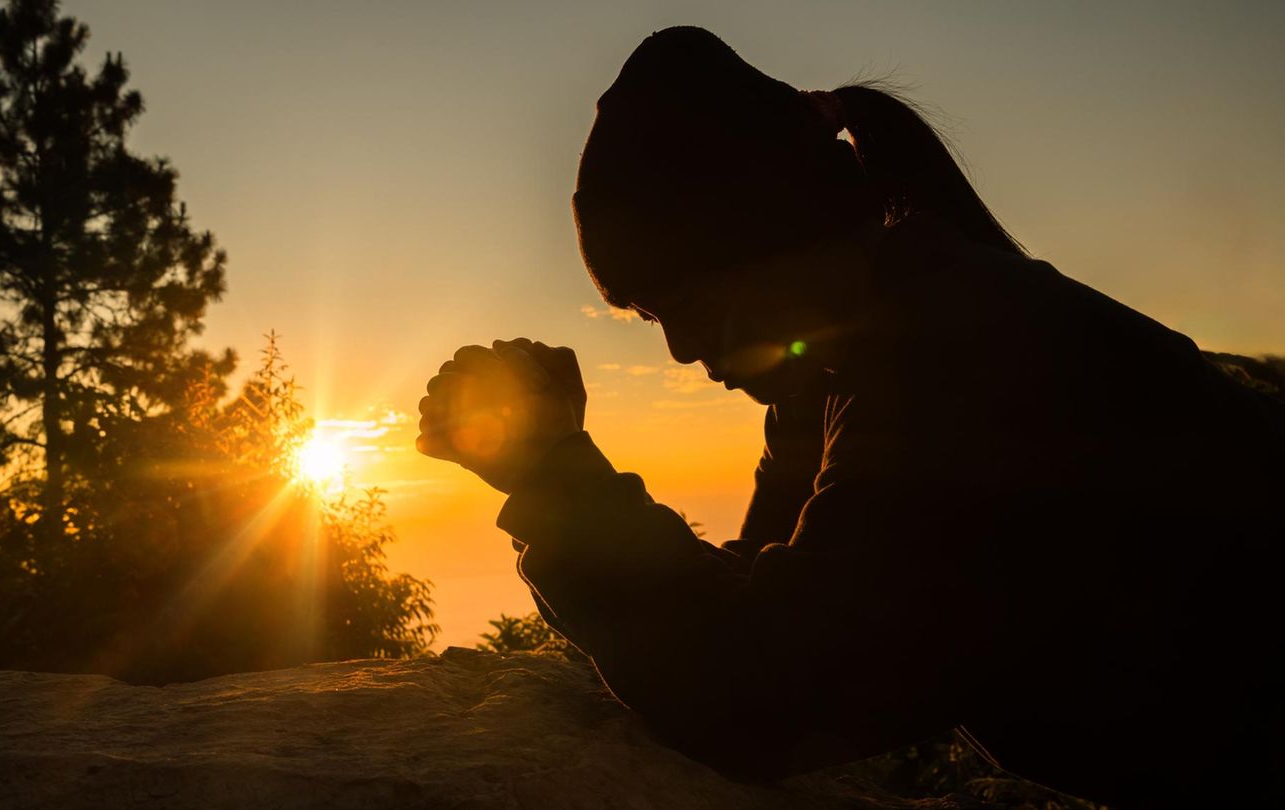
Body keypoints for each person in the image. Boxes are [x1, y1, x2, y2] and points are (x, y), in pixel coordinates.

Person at [416, 26, 1284, 807]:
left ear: (769, 236)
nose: (678, 348)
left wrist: (553, 474)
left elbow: (764, 695)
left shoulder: (965, 358)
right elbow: (757, 600)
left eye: (684, 299)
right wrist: (557, 469)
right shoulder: (849, 373)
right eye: (648, 315)